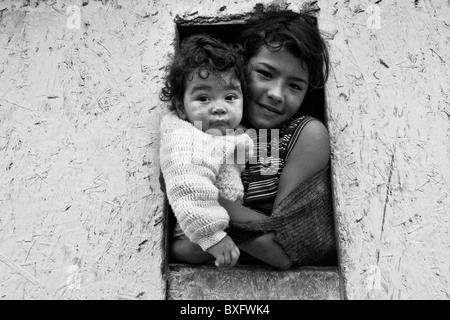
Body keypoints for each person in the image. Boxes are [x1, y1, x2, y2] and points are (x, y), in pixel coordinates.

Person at [219, 9, 337, 270]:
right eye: (265, 73)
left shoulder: (305, 135)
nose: (276, 94)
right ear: (240, 68)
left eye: (295, 86)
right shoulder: (210, 130)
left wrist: (198, 198)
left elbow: (283, 249)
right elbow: (180, 249)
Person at [159, 34, 253, 268]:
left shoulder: (230, 134)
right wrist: (213, 238)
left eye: (230, 97)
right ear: (181, 107)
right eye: (203, 98)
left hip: (220, 228)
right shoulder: (186, 137)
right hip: (194, 235)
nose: (219, 108)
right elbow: (186, 185)